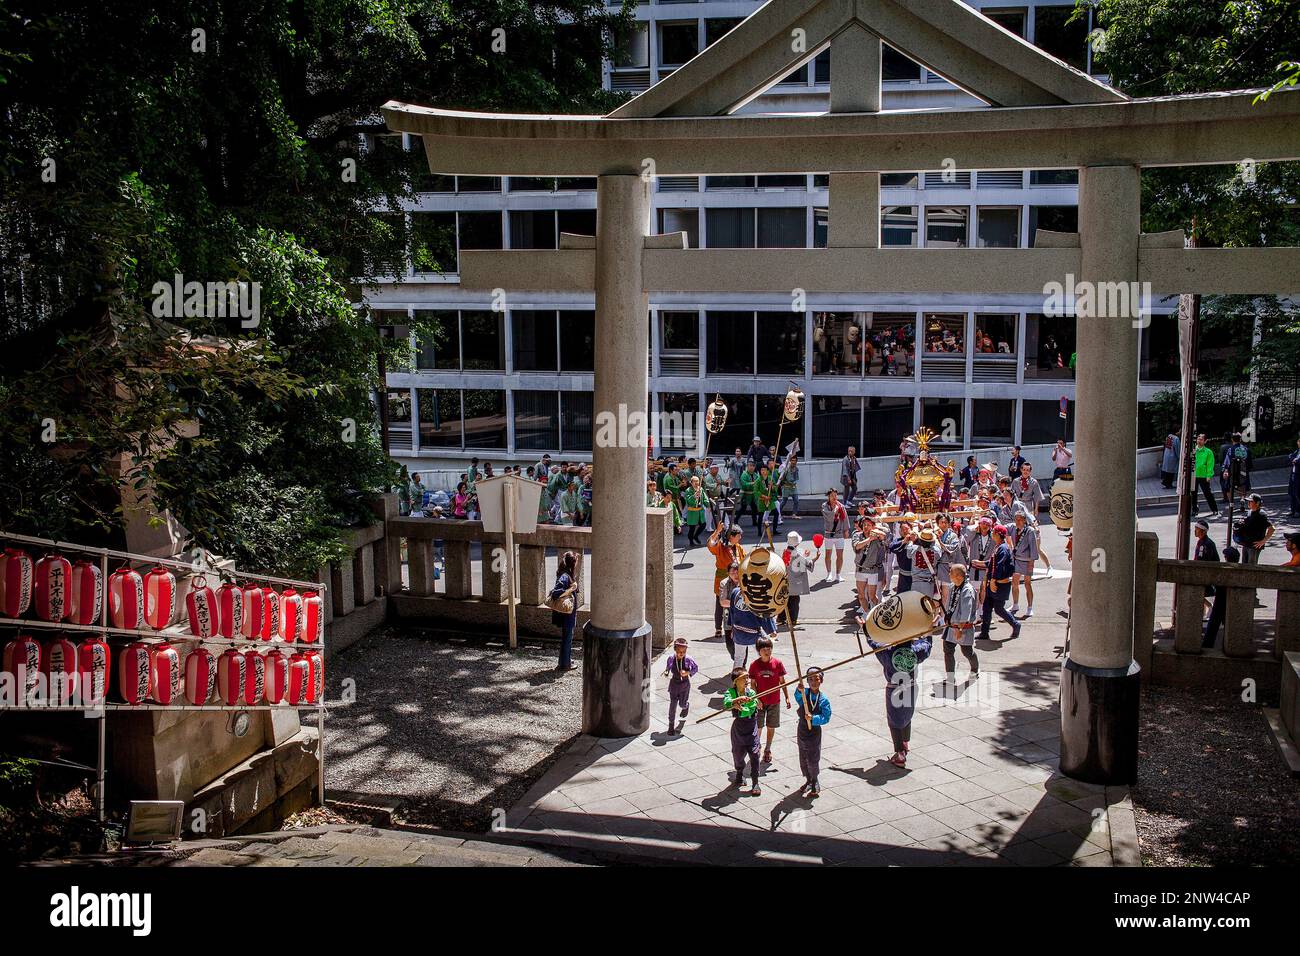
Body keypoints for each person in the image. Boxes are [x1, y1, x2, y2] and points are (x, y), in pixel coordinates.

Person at [867, 630, 932, 768]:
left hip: (894, 689)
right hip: (911, 687)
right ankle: (905, 743)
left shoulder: (888, 651)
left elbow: (873, 642)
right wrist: (929, 631)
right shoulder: (916, 650)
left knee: (894, 721)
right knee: (907, 716)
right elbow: (927, 645)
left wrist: (866, 629)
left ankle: (900, 753)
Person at [720, 570, 777, 669]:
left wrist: (732, 628)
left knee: (739, 658)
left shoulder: (735, 592)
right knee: (763, 654)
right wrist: (771, 630)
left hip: (738, 631)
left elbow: (732, 612)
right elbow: (763, 614)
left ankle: (737, 679)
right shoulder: (757, 595)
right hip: (753, 633)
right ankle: (763, 675)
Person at [748, 637, 791, 765]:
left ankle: (768, 749)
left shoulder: (777, 663)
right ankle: (757, 746)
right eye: (764, 649)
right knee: (759, 726)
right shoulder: (754, 665)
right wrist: (756, 699)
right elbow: (753, 684)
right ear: (758, 651)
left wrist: (787, 697)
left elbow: (782, 682)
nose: (767, 651)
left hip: (774, 701)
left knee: (771, 726)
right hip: (760, 701)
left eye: (769, 648)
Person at [793, 667, 832, 797]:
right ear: (807, 681)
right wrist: (799, 690)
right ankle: (808, 780)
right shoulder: (805, 694)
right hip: (802, 728)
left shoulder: (823, 700)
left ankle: (815, 781)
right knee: (803, 756)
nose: (814, 682)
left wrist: (814, 718)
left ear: (821, 681)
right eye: (810, 679)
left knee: (813, 758)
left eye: (816, 679)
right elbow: (797, 697)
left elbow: (826, 717)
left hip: (814, 731)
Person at [978, 525, 1021, 641]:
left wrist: (993, 580)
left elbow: (999, 565)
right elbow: (993, 562)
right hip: (993, 582)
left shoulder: (1003, 548)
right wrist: (981, 563)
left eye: (994, 533)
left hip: (999, 583)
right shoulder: (998, 547)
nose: (992, 534)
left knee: (998, 608)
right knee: (987, 607)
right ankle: (984, 632)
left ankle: (1015, 624)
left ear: (998, 534)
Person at [723, 668, 762, 796]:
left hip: (751, 727)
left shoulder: (751, 692)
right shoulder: (731, 692)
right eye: (743, 678)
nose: (747, 680)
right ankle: (739, 773)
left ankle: (755, 781)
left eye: (747, 677)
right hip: (738, 728)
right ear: (735, 681)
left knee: (755, 754)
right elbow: (726, 703)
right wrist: (735, 702)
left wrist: (744, 704)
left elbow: (751, 707)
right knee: (738, 754)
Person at [940, 563, 979, 687]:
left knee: (967, 651)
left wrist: (960, 628)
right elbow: (949, 604)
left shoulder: (967, 590)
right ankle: (950, 678)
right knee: (948, 650)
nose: (949, 575)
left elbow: (966, 610)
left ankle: (974, 670)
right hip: (951, 625)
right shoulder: (953, 586)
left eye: (951, 573)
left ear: (958, 576)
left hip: (962, 627)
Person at [708, 525, 745, 639]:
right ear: (731, 537)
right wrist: (717, 532)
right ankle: (718, 628)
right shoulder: (721, 547)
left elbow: (744, 560)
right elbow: (711, 544)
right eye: (738, 536)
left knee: (736, 602)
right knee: (720, 604)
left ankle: (736, 625)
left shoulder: (738, 547)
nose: (740, 538)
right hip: (723, 579)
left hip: (736, 580)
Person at [1193, 519, 1225, 648]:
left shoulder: (1205, 544)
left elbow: (1202, 560)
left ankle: (1208, 608)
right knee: (1200, 595)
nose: (1195, 530)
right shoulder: (1204, 542)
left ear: (1202, 531)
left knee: (1198, 593)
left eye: (1197, 528)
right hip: (1208, 573)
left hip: (1207, 575)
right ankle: (1207, 609)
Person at [549, 551, 580, 671]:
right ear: (573, 563)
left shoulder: (567, 574)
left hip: (568, 613)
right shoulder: (565, 576)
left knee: (566, 637)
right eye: (576, 561)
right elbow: (556, 592)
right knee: (567, 638)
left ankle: (564, 660)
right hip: (567, 613)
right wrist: (571, 589)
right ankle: (565, 664)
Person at [663, 637, 698, 735]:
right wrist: (666, 672)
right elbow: (668, 667)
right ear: (675, 650)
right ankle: (671, 726)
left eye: (684, 651)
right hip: (674, 684)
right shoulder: (671, 658)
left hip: (684, 685)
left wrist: (687, 672)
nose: (681, 653)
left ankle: (685, 706)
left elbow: (696, 668)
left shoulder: (688, 659)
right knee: (672, 705)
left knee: (681, 704)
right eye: (679, 651)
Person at [852, 516, 886, 613]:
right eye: (864, 525)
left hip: (872, 570)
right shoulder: (857, 535)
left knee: (872, 596)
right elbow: (857, 546)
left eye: (869, 525)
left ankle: (876, 614)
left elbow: (884, 535)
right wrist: (869, 539)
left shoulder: (876, 537)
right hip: (861, 569)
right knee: (861, 595)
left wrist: (876, 533)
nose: (866, 527)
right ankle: (866, 614)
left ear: (873, 526)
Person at [1010, 511, 1038, 617]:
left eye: (1020, 519)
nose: (1017, 522)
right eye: (1016, 519)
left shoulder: (1030, 531)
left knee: (1027, 584)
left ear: (1025, 520)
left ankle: (1030, 607)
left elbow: (1033, 548)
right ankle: (1015, 604)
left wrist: (1032, 562)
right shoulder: (1013, 529)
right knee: (1014, 582)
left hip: (1027, 561)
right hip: (1016, 559)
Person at [1234, 493, 1274, 565]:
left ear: (1257, 503)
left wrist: (1263, 541)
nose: (1248, 503)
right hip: (1246, 544)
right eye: (1248, 501)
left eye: (1251, 501)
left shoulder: (1261, 515)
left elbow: (1272, 528)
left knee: (1251, 567)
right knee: (1244, 565)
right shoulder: (1250, 512)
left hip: (1254, 546)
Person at [781, 532, 811, 628]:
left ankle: (781, 618)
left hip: (786, 579)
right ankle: (793, 620)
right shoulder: (798, 554)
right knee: (794, 601)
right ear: (797, 543)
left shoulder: (785, 551)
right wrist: (810, 558)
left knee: (785, 600)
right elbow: (804, 566)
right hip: (795, 582)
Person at [821, 488, 850, 583]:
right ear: (828, 496)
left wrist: (846, 530)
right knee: (828, 554)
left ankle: (838, 574)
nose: (834, 497)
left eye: (835, 495)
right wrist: (835, 511)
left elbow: (845, 518)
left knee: (840, 555)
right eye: (832, 495)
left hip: (839, 533)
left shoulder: (841, 506)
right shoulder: (825, 506)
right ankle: (829, 573)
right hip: (829, 534)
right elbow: (828, 517)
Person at [1193, 433, 1219, 516]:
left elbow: (1210, 464)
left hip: (1203, 475)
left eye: (1201, 439)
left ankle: (1214, 509)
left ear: (1205, 441)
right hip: (1194, 475)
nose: (1199, 441)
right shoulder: (1193, 450)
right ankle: (1194, 509)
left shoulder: (1208, 452)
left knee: (1208, 493)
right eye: (1198, 439)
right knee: (1193, 494)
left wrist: (1209, 475)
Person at [682, 475, 707, 546]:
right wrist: (694, 496)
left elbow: (704, 498)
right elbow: (688, 500)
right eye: (694, 481)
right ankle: (691, 541)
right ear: (691, 482)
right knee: (692, 528)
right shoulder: (688, 490)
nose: (696, 483)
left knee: (703, 525)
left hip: (700, 511)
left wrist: (708, 505)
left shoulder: (701, 489)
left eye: (697, 481)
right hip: (692, 512)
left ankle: (696, 536)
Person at [737, 460, 759, 527]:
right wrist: (752, 483)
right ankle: (735, 520)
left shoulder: (756, 475)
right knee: (743, 509)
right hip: (745, 494)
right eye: (750, 466)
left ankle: (754, 521)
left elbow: (758, 483)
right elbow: (744, 484)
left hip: (753, 495)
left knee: (754, 508)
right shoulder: (744, 474)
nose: (751, 467)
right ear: (747, 467)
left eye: (753, 466)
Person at [779, 455, 800, 520]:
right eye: (792, 460)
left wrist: (794, 482)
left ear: (796, 461)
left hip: (793, 486)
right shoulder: (786, 468)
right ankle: (778, 513)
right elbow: (782, 477)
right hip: (786, 487)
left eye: (795, 460)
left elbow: (797, 477)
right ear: (790, 461)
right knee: (784, 501)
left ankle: (794, 514)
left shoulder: (796, 469)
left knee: (796, 500)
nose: (793, 462)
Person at [1289, 438, 1300, 517]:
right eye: (1298, 442)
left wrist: (1297, 461)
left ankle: (1298, 511)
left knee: (1298, 493)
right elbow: (1290, 456)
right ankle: (1292, 510)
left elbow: (1297, 461)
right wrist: (1294, 460)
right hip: (1293, 474)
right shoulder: (1297, 451)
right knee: (1292, 493)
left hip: (1299, 475)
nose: (1298, 443)